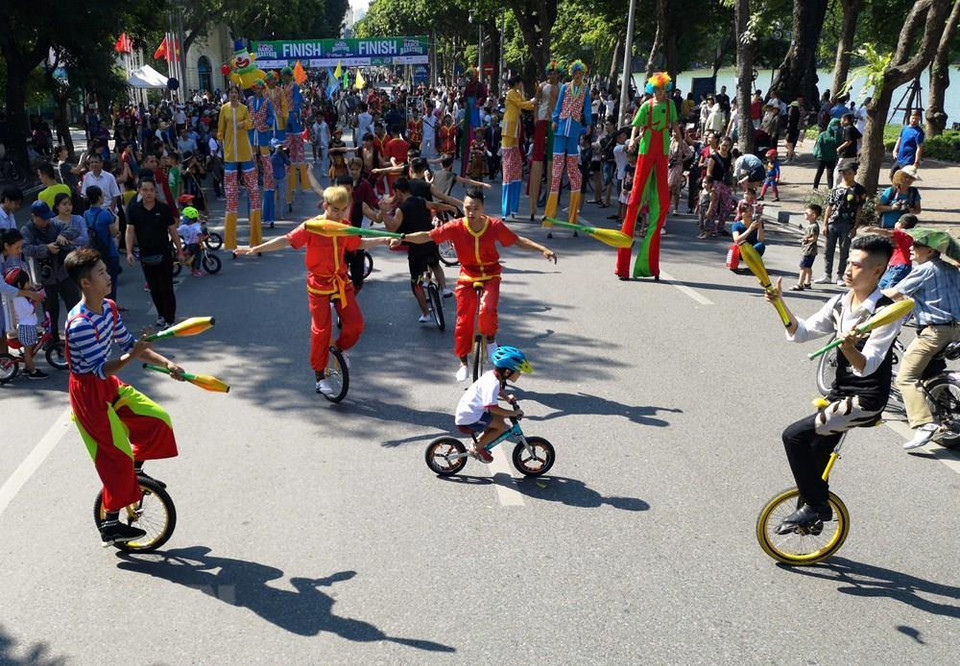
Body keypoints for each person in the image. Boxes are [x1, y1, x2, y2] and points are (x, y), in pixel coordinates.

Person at [764, 235, 901, 532]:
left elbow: (869, 366)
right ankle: (813, 513)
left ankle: (816, 505)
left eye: (857, 265)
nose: (849, 269)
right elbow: (802, 332)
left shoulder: (885, 312)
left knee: (794, 437)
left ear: (878, 271)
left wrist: (848, 347)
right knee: (814, 455)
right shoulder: (840, 302)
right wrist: (779, 304)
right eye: (849, 262)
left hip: (865, 399)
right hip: (840, 392)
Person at [63, 248, 184, 546]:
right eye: (102, 273)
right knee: (115, 456)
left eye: (106, 270)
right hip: (89, 394)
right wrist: (134, 354)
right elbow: (101, 369)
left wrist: (166, 364)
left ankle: (134, 475)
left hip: (107, 385)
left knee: (158, 419)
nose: (108, 276)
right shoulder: (80, 324)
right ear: (85, 283)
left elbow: (130, 344)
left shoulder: (109, 308)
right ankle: (111, 523)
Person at [234, 186, 391, 396]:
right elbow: (286, 240)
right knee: (321, 331)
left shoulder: (344, 226)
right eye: (335, 210)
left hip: (341, 283)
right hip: (318, 284)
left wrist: (384, 239)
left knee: (356, 324)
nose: (339, 214)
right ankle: (319, 376)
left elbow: (359, 242)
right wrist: (256, 248)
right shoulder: (312, 227)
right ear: (325, 206)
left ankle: (338, 350)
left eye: (343, 210)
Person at [397, 188, 556, 381]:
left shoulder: (494, 226)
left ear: (483, 208)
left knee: (487, 309)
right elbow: (427, 235)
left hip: (490, 275)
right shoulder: (456, 226)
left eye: (475, 208)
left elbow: (517, 241)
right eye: (467, 208)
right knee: (463, 321)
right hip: (468, 275)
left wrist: (542, 249)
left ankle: (490, 341)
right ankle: (463, 362)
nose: (470, 213)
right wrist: (402, 237)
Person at [881, 228, 960, 450]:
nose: (912, 249)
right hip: (956, 331)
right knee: (931, 372)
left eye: (916, 246)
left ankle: (924, 425)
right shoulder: (952, 270)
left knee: (906, 378)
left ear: (930, 250)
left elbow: (895, 293)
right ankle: (944, 416)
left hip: (935, 332)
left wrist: (868, 294)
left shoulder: (925, 269)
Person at [616, 72, 682, 279]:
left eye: (664, 90)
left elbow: (675, 127)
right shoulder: (646, 106)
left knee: (661, 199)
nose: (662, 93)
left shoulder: (670, 106)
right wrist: (634, 140)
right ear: (653, 90)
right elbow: (636, 126)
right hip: (646, 150)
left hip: (662, 150)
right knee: (635, 197)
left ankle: (651, 264)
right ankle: (623, 265)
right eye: (659, 90)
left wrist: (682, 143)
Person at [380, 177, 447, 323]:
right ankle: (443, 287)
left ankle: (426, 314)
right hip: (430, 242)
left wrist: (384, 213)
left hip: (416, 247)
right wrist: (452, 207)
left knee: (415, 283)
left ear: (398, 192)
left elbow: (392, 229)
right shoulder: (421, 201)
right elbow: (435, 205)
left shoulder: (401, 209)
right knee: (435, 264)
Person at [454, 346, 532, 463]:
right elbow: (492, 407)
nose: (520, 374)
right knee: (501, 427)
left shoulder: (492, 376)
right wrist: (513, 413)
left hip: (470, 412)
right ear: (507, 371)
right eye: (518, 371)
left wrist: (507, 398)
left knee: (499, 419)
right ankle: (477, 448)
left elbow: (498, 390)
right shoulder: (493, 383)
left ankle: (478, 443)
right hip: (470, 418)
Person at [125, 174, 183, 329]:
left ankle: (169, 318)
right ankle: (161, 315)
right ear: (139, 191)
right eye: (145, 190)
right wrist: (129, 252)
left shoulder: (163, 208)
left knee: (166, 287)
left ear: (155, 192)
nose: (148, 193)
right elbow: (130, 231)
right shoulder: (134, 210)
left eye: (151, 190)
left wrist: (180, 251)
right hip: (145, 255)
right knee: (154, 288)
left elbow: (173, 230)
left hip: (164, 254)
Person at [20, 200, 81, 344]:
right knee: (50, 311)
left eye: (48, 217)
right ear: (34, 216)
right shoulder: (26, 230)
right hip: (45, 278)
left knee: (74, 306)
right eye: (43, 218)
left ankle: (79, 334)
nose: (46, 221)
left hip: (64, 273)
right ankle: (52, 338)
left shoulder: (55, 224)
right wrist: (46, 248)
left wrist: (64, 236)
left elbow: (75, 231)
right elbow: (26, 249)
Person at [544, 61, 592, 227]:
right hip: (561, 127)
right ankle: (550, 212)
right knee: (557, 170)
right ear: (572, 74)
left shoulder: (586, 90)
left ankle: (573, 213)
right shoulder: (565, 87)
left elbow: (586, 109)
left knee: (573, 168)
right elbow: (558, 105)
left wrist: (588, 124)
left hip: (574, 129)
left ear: (583, 75)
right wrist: (555, 119)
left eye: (580, 74)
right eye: (575, 73)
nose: (578, 76)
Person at [217, 85, 260, 250]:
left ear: (239, 95)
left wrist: (245, 123)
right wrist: (219, 144)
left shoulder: (244, 108)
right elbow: (220, 130)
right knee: (231, 192)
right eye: (231, 93)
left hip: (244, 152)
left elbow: (251, 123)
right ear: (228, 95)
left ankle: (255, 239)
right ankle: (230, 241)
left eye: (235, 92)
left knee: (254, 190)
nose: (233, 95)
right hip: (229, 153)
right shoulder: (224, 109)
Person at [814, 163, 866, 286]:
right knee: (828, 250)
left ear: (854, 173)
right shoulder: (836, 188)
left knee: (844, 250)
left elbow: (859, 209)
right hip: (833, 222)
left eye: (849, 173)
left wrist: (855, 227)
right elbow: (829, 206)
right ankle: (827, 274)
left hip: (848, 224)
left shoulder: (859, 190)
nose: (846, 176)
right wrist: (825, 224)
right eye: (843, 173)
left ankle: (840, 275)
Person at [501, 75, 536, 219]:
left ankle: (513, 208)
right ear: (517, 83)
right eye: (520, 82)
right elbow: (524, 105)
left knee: (516, 169)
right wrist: (534, 100)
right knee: (508, 169)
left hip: (516, 132)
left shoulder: (517, 94)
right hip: (509, 131)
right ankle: (506, 209)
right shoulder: (510, 93)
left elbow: (527, 105)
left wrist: (535, 101)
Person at [3, 267, 46, 379]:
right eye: (27, 282)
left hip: (28, 325)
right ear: (19, 284)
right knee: (28, 352)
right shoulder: (19, 299)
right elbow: (29, 310)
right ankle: (32, 371)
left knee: (29, 350)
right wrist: (37, 300)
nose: (29, 284)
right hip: (26, 327)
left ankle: (28, 367)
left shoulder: (20, 296)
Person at [861, 213, 918, 289]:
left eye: (898, 221)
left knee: (890, 289)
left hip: (899, 266)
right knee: (881, 287)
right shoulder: (910, 234)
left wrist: (872, 229)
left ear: (901, 224)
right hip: (897, 266)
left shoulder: (901, 233)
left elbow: (887, 233)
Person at [83, 186, 120, 301]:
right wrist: (117, 220)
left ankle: (101, 303)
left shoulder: (86, 214)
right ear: (99, 197)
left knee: (99, 280)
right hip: (109, 251)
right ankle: (112, 305)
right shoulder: (105, 214)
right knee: (111, 281)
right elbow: (114, 233)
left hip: (95, 251)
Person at [790, 204, 821, 291]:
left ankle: (799, 284)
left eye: (806, 213)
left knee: (802, 267)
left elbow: (814, 238)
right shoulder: (811, 225)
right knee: (808, 267)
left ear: (813, 215)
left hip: (809, 250)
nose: (805, 215)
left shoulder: (814, 226)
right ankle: (807, 282)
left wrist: (806, 239)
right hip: (809, 250)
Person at [730, 188, 765, 263]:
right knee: (740, 247)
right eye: (746, 212)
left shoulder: (756, 223)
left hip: (753, 249)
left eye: (750, 211)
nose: (748, 213)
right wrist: (750, 229)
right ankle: (751, 261)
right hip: (742, 250)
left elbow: (760, 240)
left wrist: (759, 227)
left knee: (760, 245)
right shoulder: (736, 225)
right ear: (741, 214)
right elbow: (736, 240)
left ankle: (752, 262)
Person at [890, 108, 924, 181]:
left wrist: (916, 161)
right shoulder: (905, 128)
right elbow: (899, 139)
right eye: (913, 118)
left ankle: (901, 191)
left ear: (919, 119)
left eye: (916, 119)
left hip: (909, 160)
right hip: (900, 158)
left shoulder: (918, 132)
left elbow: (919, 147)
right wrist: (895, 150)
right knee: (892, 175)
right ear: (910, 117)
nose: (914, 120)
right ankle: (895, 190)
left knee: (903, 179)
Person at [833, 113, 861, 185]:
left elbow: (848, 141)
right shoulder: (853, 128)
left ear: (846, 120)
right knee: (849, 170)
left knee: (838, 170)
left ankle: (835, 187)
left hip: (846, 154)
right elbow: (860, 138)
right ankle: (847, 184)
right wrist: (859, 148)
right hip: (853, 154)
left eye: (841, 120)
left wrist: (839, 148)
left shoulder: (847, 129)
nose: (840, 122)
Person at [812, 119, 839, 190]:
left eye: (837, 125)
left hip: (832, 157)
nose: (836, 127)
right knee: (819, 172)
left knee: (830, 174)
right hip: (822, 157)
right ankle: (815, 187)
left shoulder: (838, 135)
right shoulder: (823, 134)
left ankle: (830, 189)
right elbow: (819, 145)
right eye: (834, 125)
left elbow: (838, 144)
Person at [178, 206, 204, 277]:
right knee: (197, 257)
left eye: (184, 216)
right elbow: (199, 232)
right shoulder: (196, 225)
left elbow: (177, 232)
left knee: (192, 257)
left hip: (188, 245)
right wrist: (201, 238)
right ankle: (196, 270)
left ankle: (192, 268)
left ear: (189, 218)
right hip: (195, 245)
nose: (183, 218)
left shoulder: (183, 227)